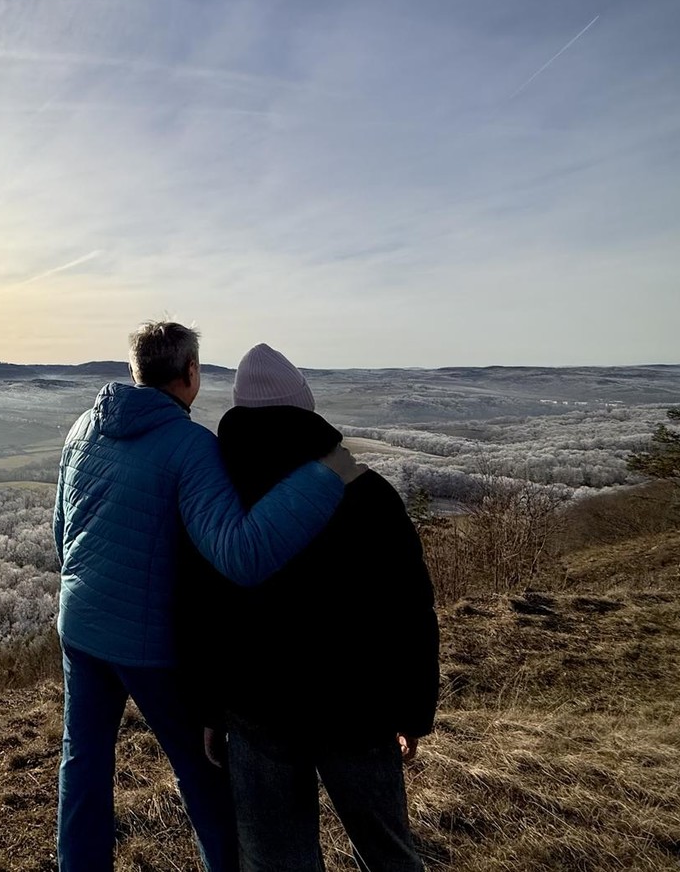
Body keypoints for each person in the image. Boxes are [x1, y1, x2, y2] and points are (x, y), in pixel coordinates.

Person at [54, 321, 365, 872]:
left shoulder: (84, 426)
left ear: (136, 371)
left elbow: (63, 528)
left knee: (83, 764)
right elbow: (241, 553)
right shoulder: (191, 445)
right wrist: (328, 474)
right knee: (202, 774)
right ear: (191, 374)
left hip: (79, 623)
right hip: (146, 644)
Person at [193, 343, 439, 872]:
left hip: (256, 709)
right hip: (359, 707)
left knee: (277, 863)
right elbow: (410, 611)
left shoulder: (219, 499)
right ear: (305, 406)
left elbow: (206, 613)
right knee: (390, 854)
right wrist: (412, 711)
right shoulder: (367, 492)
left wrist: (212, 710)